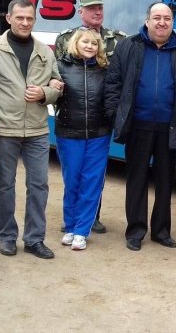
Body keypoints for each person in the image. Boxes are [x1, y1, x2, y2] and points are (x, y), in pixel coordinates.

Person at [105, 1, 176, 251]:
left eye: (167, 18)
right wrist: (117, 114)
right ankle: (135, 231)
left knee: (166, 181)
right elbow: (113, 83)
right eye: (157, 17)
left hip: (169, 128)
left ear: (173, 22)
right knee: (136, 180)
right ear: (147, 20)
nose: (162, 22)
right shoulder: (129, 46)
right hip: (138, 125)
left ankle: (161, 231)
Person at [0, 0, 62, 259]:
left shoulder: (44, 51)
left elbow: (58, 83)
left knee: (39, 185)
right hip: (4, 129)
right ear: (9, 18)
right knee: (4, 185)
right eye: (20, 18)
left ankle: (35, 239)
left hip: (37, 129)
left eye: (30, 18)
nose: (25, 23)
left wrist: (44, 93)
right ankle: (7, 236)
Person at [55, 0, 125, 235]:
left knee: (94, 177)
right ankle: (74, 220)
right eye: (91, 8)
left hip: (98, 123)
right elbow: (57, 77)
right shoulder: (65, 38)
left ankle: (91, 218)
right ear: (81, 12)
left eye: (100, 8)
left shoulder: (117, 39)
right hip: (71, 122)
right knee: (73, 176)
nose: (97, 12)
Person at [56, 28, 112, 252]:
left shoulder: (105, 70)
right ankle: (69, 226)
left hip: (99, 134)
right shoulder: (61, 67)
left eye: (94, 43)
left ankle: (81, 231)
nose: (90, 46)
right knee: (72, 181)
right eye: (85, 42)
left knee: (92, 183)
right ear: (75, 44)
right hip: (69, 133)